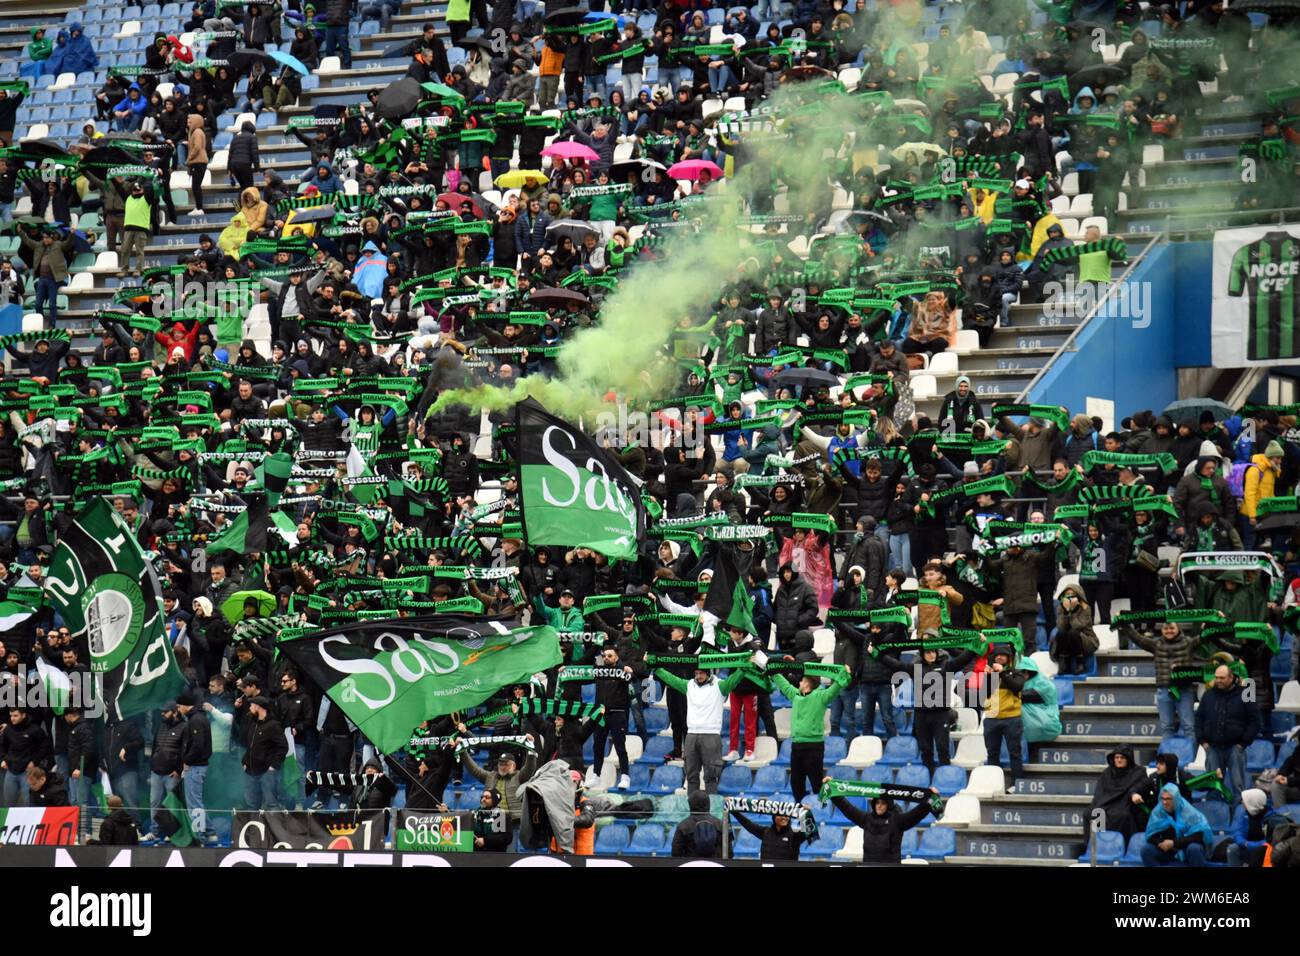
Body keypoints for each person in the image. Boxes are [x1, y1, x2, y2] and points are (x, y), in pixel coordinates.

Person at [650, 663, 747, 795]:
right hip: (691, 735)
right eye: (696, 673)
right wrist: (657, 668)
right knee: (691, 776)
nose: (698, 676)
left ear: (708, 673)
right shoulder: (689, 685)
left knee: (711, 776)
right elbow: (671, 679)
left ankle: (712, 810)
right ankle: (693, 811)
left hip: (711, 735)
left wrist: (745, 666)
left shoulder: (720, 685)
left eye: (701, 673)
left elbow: (734, 679)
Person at [769, 665, 851, 802]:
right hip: (796, 745)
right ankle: (802, 810)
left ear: (807, 684)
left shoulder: (821, 696)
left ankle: (823, 807)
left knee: (817, 783)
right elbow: (783, 684)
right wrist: (771, 670)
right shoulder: (795, 695)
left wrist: (845, 674)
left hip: (814, 746)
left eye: (802, 680)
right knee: (796, 783)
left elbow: (836, 687)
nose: (799, 682)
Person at [1121, 620, 1201, 739]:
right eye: (1166, 628)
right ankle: (1167, 756)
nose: (1169, 631)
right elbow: (1138, 638)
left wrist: (1213, 622)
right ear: (1162, 630)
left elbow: (1205, 637)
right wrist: (1124, 624)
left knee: (1188, 726)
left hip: (1184, 689)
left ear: (1178, 628)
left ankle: (1190, 755)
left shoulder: (1188, 642)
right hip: (1164, 690)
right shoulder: (1156, 644)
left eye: (1172, 628)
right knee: (1166, 727)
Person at [826, 780, 939, 863]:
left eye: (883, 803)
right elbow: (847, 808)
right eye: (877, 803)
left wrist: (930, 799)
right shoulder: (866, 819)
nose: (879, 806)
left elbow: (916, 814)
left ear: (888, 805)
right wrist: (833, 791)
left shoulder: (897, 821)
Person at [1195, 664, 1260, 799]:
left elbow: (1255, 721)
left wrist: (1243, 743)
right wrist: (1202, 741)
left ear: (1231, 677)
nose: (1218, 680)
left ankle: (1238, 815)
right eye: (1216, 677)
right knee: (1214, 786)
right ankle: (1216, 816)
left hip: (1235, 748)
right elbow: (1199, 718)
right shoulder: (1208, 694)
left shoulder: (1246, 693)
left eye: (1222, 678)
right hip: (1212, 747)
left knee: (1238, 786)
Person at [458, 745, 537, 824]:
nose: (502, 767)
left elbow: (529, 768)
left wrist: (531, 751)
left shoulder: (519, 776)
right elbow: (474, 769)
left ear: (514, 766)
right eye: (501, 764)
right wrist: (462, 751)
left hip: (515, 822)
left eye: (506, 764)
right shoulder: (490, 776)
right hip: (493, 821)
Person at [1140, 782, 1212, 866]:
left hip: (1186, 848)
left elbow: (1199, 835)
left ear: (1176, 799)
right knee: (1146, 850)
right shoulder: (1158, 811)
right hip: (1169, 850)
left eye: (1168, 799)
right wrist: (1160, 843)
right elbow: (1151, 834)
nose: (1164, 802)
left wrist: (1174, 843)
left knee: (1194, 848)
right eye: (1162, 798)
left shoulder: (1188, 811)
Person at [1086, 745, 1148, 842]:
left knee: (1122, 816)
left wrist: (1134, 794)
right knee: (1093, 812)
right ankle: (1097, 846)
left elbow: (1141, 786)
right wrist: (1099, 805)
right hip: (1106, 803)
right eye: (1116, 757)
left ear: (1128, 759)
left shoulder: (1138, 772)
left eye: (1122, 758)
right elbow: (1100, 792)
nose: (1119, 760)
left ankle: (1119, 847)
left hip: (1124, 804)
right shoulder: (1107, 773)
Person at [143, 702, 185, 843]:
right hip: (156, 771)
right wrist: (153, 764)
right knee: (154, 803)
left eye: (166, 712)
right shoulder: (161, 726)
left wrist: (178, 770)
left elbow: (183, 751)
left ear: (174, 712)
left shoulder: (183, 727)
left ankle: (172, 833)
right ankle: (154, 832)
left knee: (172, 804)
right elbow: (155, 747)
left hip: (171, 774)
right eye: (162, 712)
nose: (163, 714)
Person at [177, 690, 214, 843]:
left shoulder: (196, 720)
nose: (178, 709)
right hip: (198, 766)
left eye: (179, 706)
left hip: (195, 767)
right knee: (196, 801)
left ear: (186, 706)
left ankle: (199, 836)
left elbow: (198, 745)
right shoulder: (198, 717)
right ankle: (210, 832)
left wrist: (187, 760)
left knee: (194, 804)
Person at [242, 695, 288, 811]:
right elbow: (249, 746)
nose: (250, 707)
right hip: (251, 772)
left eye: (252, 705)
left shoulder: (273, 725)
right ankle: (253, 828)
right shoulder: (253, 723)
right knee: (251, 804)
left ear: (258, 707)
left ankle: (275, 829)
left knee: (271, 804)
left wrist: (274, 765)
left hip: (267, 773)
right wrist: (245, 761)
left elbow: (283, 747)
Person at [729, 806, 808, 860]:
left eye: (787, 815)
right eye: (780, 815)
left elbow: (809, 830)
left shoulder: (794, 836)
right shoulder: (765, 832)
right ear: (774, 817)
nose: (784, 817)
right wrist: (733, 811)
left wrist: (806, 814)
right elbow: (748, 824)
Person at [670, 789, 724, 858]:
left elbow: (675, 853)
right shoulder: (720, 824)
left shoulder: (682, 826)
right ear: (708, 803)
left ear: (690, 804)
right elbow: (729, 853)